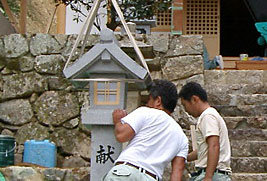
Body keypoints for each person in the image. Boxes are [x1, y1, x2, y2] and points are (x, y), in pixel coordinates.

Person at [104, 79, 189, 181]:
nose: (148, 103)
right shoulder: (182, 138)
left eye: (149, 99)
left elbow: (121, 136)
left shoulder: (146, 112)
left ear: (158, 101)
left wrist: (117, 121)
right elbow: (177, 173)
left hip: (126, 172)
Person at [178, 82, 231, 181]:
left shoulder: (208, 116)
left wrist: (208, 177)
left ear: (194, 99)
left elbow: (214, 146)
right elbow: (204, 151)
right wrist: (185, 157)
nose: (186, 111)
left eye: (185, 105)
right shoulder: (209, 115)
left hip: (213, 174)